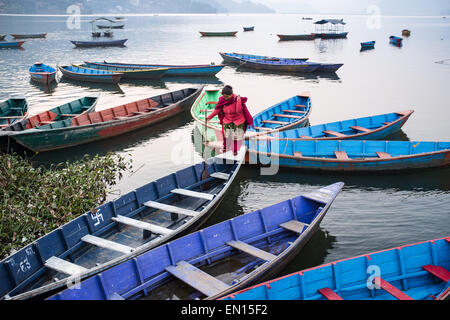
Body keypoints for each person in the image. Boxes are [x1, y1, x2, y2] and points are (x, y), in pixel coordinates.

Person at [206, 85, 253, 155]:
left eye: (227, 97)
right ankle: (226, 148)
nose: (225, 98)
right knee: (226, 136)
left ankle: (235, 150)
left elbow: (238, 111)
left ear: (231, 95)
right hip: (227, 120)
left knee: (236, 137)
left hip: (238, 121)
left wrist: (238, 101)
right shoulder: (222, 100)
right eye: (224, 96)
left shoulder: (237, 99)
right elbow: (217, 110)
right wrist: (209, 117)